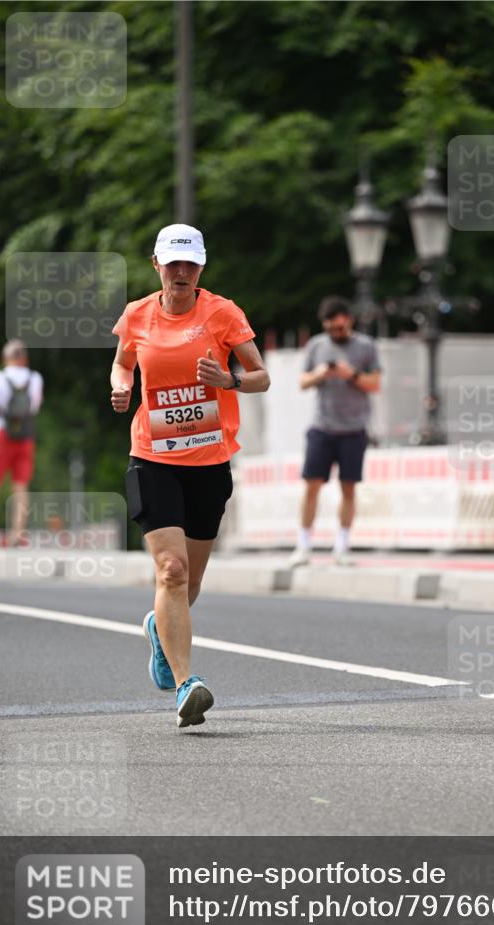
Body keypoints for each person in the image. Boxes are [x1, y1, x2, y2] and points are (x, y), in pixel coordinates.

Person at [111, 223, 270, 728]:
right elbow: (122, 365)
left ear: (201, 267)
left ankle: (160, 629)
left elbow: (262, 375)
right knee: (172, 571)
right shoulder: (137, 314)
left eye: (191, 264)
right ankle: (186, 684)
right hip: (153, 457)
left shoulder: (222, 313)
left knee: (191, 580)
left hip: (208, 460)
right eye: (173, 263)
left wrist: (229, 380)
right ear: (156, 265)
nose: (182, 272)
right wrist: (121, 388)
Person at [289, 296, 381, 567]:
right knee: (311, 487)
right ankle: (303, 545)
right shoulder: (316, 345)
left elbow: (375, 383)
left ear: (349, 321)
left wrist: (350, 375)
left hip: (353, 429)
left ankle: (342, 545)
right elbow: (303, 382)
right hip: (322, 426)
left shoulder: (366, 346)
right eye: (331, 329)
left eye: (340, 329)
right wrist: (320, 374)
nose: (335, 334)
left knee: (348, 488)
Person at [0, 339, 43, 547]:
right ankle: (18, 534)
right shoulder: (35, 378)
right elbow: (34, 408)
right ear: (25, 358)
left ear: (5, 358)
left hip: (1, 435)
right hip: (25, 435)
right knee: (21, 485)